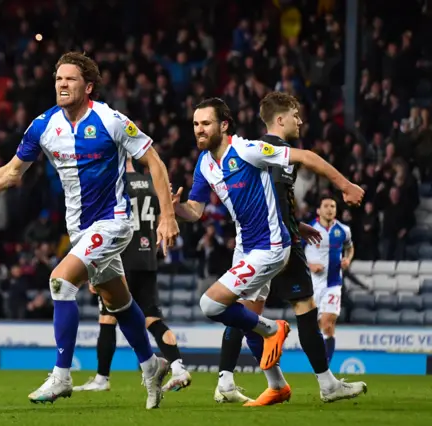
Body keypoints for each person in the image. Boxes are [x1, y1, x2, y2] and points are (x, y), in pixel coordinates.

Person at [0, 52, 179, 410]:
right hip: (80, 230)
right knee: (118, 301)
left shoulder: (110, 120)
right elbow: (12, 172)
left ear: (88, 86)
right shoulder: (43, 126)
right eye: (58, 79)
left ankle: (62, 374)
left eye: (70, 79)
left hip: (113, 222)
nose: (62, 84)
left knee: (60, 282)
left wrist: (167, 216)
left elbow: (153, 161)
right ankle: (151, 364)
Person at [214, 92, 367, 405]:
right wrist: (346, 186)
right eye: (295, 115)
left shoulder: (248, 151)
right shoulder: (278, 150)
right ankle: (327, 384)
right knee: (305, 309)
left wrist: (295, 220)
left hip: (253, 241)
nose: (300, 121)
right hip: (277, 242)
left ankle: (226, 380)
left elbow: (268, 197)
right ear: (280, 119)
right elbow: (308, 159)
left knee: (244, 312)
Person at [74, 155, 191, 393]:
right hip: (147, 259)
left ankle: (102, 378)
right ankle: (179, 367)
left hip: (119, 259)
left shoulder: (112, 183)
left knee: (108, 318)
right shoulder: (151, 183)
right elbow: (164, 218)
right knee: (153, 318)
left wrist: (93, 265)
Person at [305, 196, 354, 366]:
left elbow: (349, 247)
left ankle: (325, 367)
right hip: (312, 285)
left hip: (333, 284)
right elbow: (294, 253)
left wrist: (348, 259)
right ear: (319, 210)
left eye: (333, 206)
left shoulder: (343, 230)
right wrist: (310, 264)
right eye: (326, 205)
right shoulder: (309, 229)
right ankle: (319, 361)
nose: (330, 209)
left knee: (327, 323)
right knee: (316, 327)